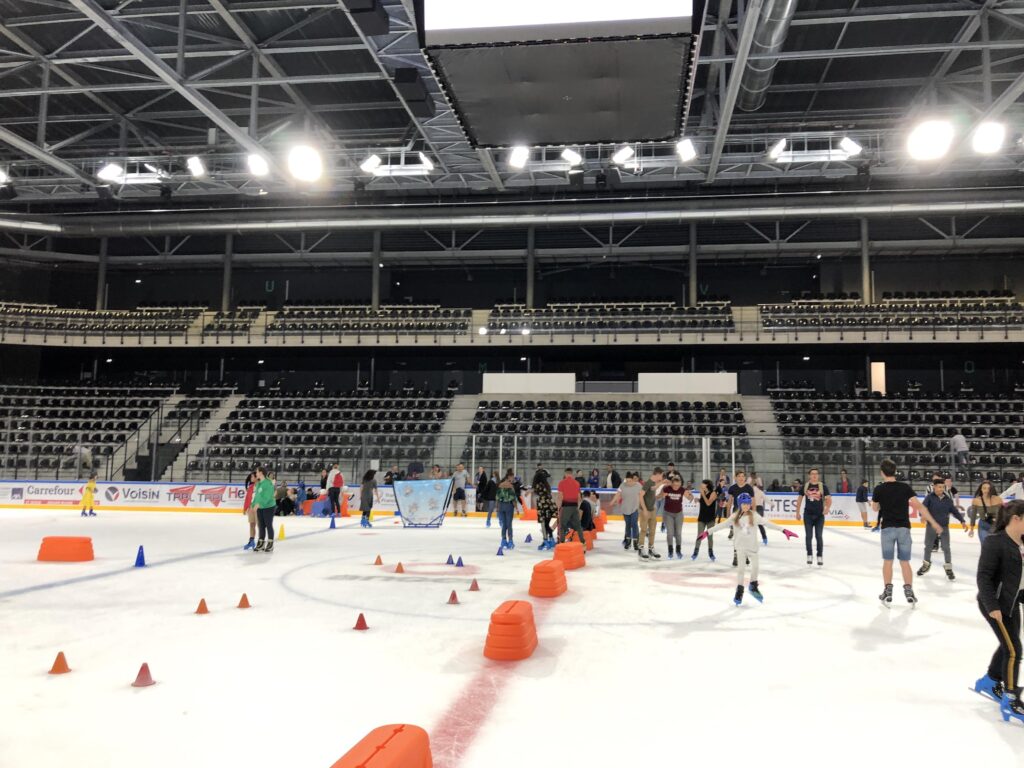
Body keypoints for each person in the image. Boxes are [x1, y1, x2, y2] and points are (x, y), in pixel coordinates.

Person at [973, 500, 1024, 721]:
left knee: (1008, 644)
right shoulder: (996, 542)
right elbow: (983, 577)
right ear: (1016, 519)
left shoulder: (1020, 543)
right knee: (1014, 650)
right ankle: (1010, 700)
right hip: (994, 604)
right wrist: (992, 606)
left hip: (1012, 602)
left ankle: (991, 680)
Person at [698, 493, 798, 605]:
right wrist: (708, 532)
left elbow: (768, 523)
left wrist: (783, 530)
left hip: (753, 548)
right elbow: (722, 525)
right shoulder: (734, 517)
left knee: (755, 568)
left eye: (748, 504)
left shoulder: (754, 516)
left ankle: (753, 586)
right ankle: (739, 591)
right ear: (740, 504)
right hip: (740, 548)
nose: (746, 506)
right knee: (741, 570)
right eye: (744, 504)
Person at [872, 458, 943, 607]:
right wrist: (934, 522)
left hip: (887, 529)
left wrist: (879, 503)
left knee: (888, 561)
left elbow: (875, 508)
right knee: (905, 562)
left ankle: (888, 590)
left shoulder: (879, 489)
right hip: (904, 529)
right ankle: (909, 590)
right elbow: (920, 507)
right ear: (895, 471)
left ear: (882, 473)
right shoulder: (905, 487)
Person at [917, 476, 968, 580]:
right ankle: (926, 565)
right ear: (934, 487)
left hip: (944, 526)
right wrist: (922, 516)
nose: (941, 489)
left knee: (946, 547)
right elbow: (922, 508)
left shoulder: (947, 500)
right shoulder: (930, 498)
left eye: (943, 487)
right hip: (931, 526)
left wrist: (962, 521)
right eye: (939, 487)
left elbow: (954, 511)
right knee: (928, 546)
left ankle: (948, 568)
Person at [795, 468, 831, 567]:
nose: (814, 475)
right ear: (809, 476)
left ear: (818, 475)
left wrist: (827, 508)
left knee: (819, 536)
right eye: (812, 474)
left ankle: (820, 555)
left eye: (816, 474)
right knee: (809, 536)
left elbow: (829, 499)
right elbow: (799, 500)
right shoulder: (805, 486)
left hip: (820, 515)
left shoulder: (823, 487)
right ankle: (809, 554)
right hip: (808, 515)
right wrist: (797, 512)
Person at [658, 473, 691, 559]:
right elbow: (658, 497)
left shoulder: (682, 490)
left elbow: (691, 499)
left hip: (679, 514)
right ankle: (670, 551)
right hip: (668, 513)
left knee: (678, 533)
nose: (676, 487)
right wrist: (662, 495)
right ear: (672, 483)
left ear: (680, 484)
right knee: (670, 533)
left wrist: (690, 495)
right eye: (675, 485)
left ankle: (678, 550)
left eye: (678, 485)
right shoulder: (666, 489)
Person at [639, 467, 665, 560]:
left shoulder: (653, 483)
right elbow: (640, 495)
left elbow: (653, 488)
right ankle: (641, 549)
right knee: (643, 530)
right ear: (657, 474)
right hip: (645, 510)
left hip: (652, 510)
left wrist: (662, 483)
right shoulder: (648, 483)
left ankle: (651, 548)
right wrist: (645, 510)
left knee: (652, 530)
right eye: (662, 475)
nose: (662, 476)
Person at [250, 466, 277, 553]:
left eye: (257, 472)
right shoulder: (259, 483)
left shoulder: (268, 483)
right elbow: (257, 496)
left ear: (261, 473)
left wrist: (259, 504)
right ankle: (261, 543)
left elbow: (268, 496)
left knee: (268, 524)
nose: (256, 474)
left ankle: (270, 543)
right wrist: (253, 504)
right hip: (260, 508)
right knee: (261, 525)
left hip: (269, 507)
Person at [614, 472, 642, 552]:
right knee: (628, 524)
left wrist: (642, 505)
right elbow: (618, 494)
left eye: (630, 480)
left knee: (634, 524)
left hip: (635, 508)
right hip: (625, 508)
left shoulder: (638, 485)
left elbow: (642, 495)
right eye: (627, 480)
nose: (628, 482)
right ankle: (628, 541)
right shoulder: (623, 485)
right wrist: (615, 501)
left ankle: (636, 542)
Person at [557, 467, 585, 548]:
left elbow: (560, 496)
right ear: (572, 474)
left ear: (565, 474)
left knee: (562, 525)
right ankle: (583, 541)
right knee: (578, 525)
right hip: (574, 506)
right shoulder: (577, 483)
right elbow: (579, 497)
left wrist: (558, 507)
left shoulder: (561, 483)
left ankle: (562, 542)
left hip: (566, 506)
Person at [691, 479, 718, 561]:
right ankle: (696, 551)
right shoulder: (703, 493)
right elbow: (704, 502)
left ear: (707, 485)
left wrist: (702, 494)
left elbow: (708, 503)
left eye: (703, 483)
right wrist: (698, 500)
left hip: (710, 518)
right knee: (699, 535)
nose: (701, 484)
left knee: (710, 536)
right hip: (702, 517)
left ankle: (711, 552)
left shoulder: (713, 493)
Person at [533, 474, 557, 551]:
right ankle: (551, 538)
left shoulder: (538, 485)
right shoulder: (547, 485)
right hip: (550, 505)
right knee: (546, 524)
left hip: (543, 506)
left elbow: (536, 492)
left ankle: (545, 540)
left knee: (543, 524)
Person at [496, 469, 517, 550]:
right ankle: (510, 540)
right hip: (509, 506)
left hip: (501, 506)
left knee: (504, 524)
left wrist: (497, 507)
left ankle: (503, 540)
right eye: (512, 477)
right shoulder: (511, 486)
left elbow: (497, 497)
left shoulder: (500, 485)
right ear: (509, 477)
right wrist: (516, 508)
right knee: (509, 524)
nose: (513, 479)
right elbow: (513, 498)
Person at [242, 471, 257, 550]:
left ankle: (262, 542)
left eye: (252, 477)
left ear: (256, 477)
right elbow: (247, 498)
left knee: (260, 526)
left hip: (259, 508)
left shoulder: (260, 486)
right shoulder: (250, 487)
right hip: (251, 508)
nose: (251, 478)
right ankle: (251, 541)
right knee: (252, 524)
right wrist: (245, 508)